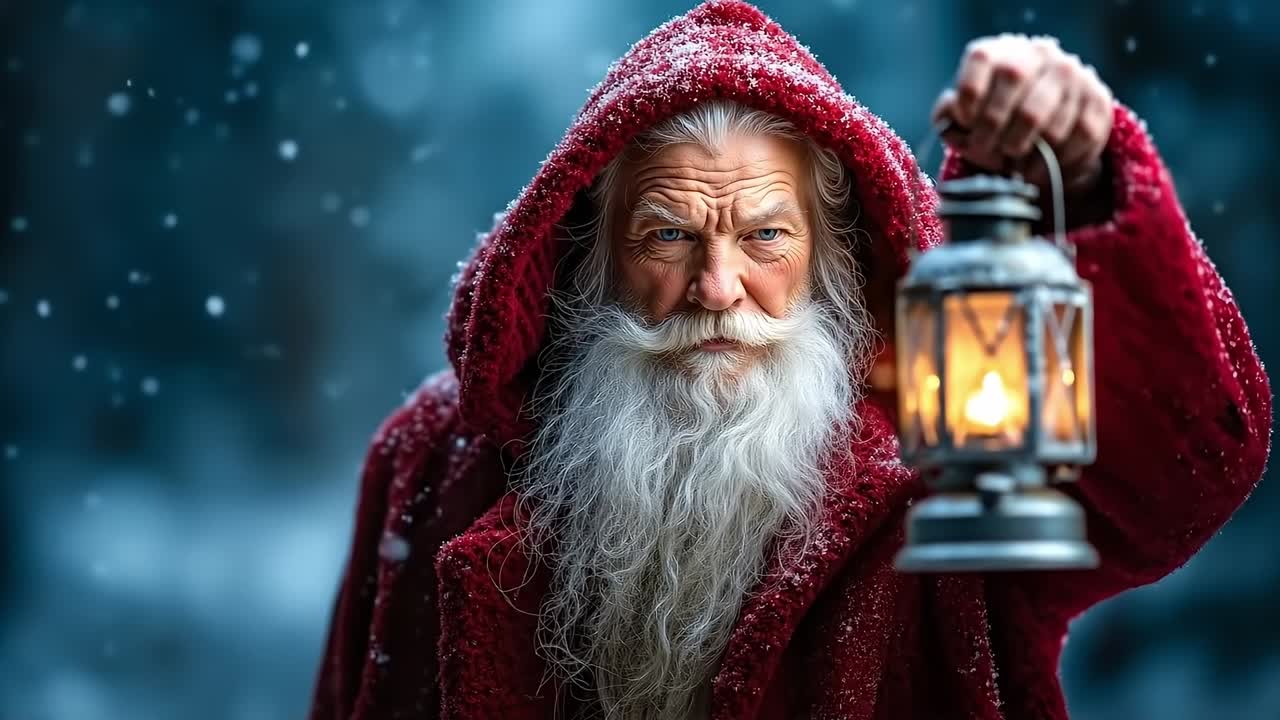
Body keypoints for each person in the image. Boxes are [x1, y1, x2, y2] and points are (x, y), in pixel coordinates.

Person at [307, 2, 1272, 719]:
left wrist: (1079, 176)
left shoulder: (944, 452)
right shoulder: (432, 462)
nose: (717, 286)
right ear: (588, 260)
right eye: (668, 235)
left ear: (832, 259)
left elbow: (1184, 471)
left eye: (765, 235)